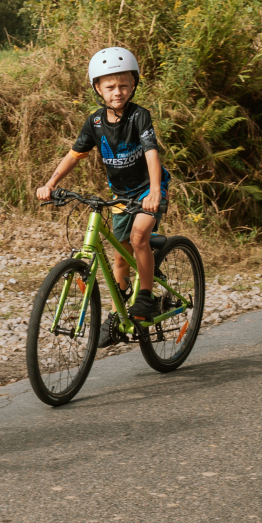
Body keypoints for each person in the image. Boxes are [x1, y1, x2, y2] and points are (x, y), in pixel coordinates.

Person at [34, 44, 166, 333]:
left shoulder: (139, 116)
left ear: (133, 85)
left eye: (123, 85)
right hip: (120, 194)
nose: (117, 92)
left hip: (146, 189)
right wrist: (50, 184)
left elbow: (151, 153)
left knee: (139, 236)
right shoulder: (94, 122)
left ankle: (144, 297)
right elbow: (74, 155)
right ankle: (120, 312)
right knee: (120, 252)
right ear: (97, 89)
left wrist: (155, 191)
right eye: (110, 87)